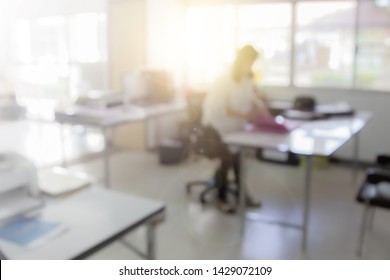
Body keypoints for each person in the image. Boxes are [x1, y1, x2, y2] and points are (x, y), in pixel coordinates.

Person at [201, 45, 271, 213]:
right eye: (250, 62)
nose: (251, 65)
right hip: (216, 126)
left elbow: (250, 96)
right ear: (242, 60)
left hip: (235, 127)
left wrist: (260, 107)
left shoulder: (247, 77)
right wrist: (246, 116)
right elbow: (219, 108)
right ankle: (221, 197)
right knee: (227, 159)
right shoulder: (224, 77)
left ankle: (242, 196)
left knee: (238, 159)